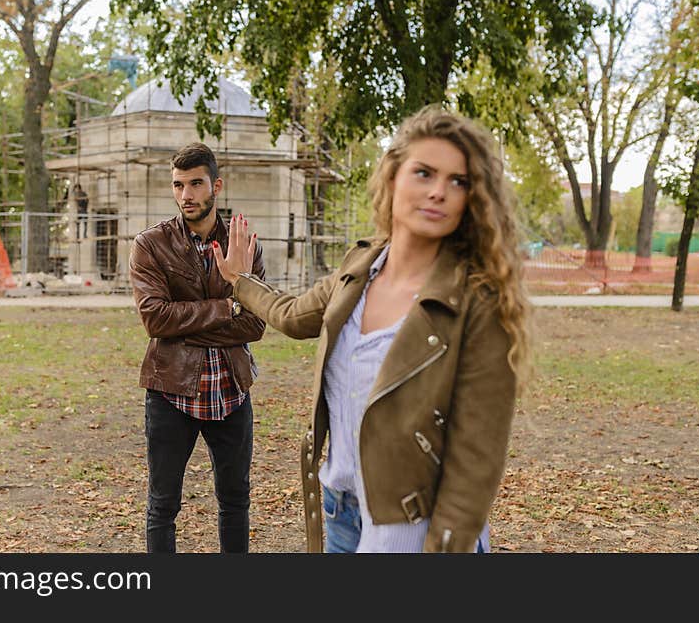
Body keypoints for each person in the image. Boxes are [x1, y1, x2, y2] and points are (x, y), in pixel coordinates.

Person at [213, 106, 532, 553]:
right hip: (340, 510)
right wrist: (238, 282)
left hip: (412, 524)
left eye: (457, 181)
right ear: (393, 176)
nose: (439, 191)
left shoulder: (476, 301)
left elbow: (477, 458)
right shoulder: (359, 268)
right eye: (424, 173)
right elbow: (292, 314)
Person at [129, 142, 266, 553]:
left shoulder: (245, 243)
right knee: (163, 505)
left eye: (195, 184)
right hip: (171, 393)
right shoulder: (151, 244)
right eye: (178, 185)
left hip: (231, 391)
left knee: (235, 501)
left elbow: (256, 324)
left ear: (215, 186)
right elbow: (155, 319)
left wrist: (183, 325)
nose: (186, 195)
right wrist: (228, 305)